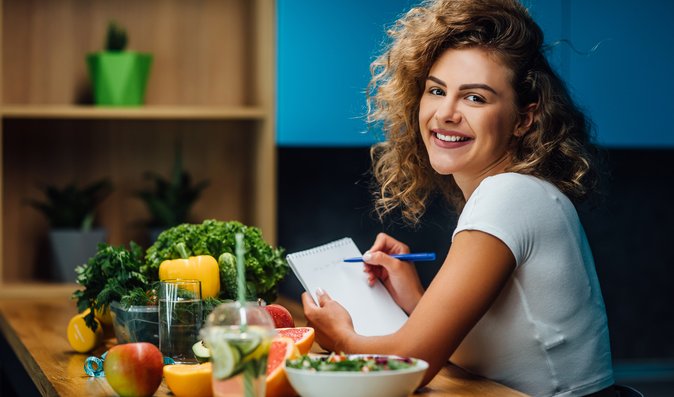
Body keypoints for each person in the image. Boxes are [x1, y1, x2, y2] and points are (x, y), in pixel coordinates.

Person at [301, 0, 616, 396]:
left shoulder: (510, 195)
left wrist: (340, 338)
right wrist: (417, 300)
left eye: (475, 98)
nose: (445, 112)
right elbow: (495, 350)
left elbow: (408, 366)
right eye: (436, 90)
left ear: (524, 118)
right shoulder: (520, 191)